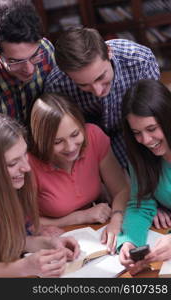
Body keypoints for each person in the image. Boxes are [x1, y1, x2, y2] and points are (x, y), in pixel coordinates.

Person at [0, 111, 79, 278]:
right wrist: (23, 267)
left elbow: (14, 239)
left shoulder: (12, 184)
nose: (26, 168)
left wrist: (48, 243)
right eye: (12, 163)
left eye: (24, 154)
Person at [44, 27, 160, 169]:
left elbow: (154, 113)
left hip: (135, 131)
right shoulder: (56, 85)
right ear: (67, 74)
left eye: (101, 77)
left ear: (109, 51)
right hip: (88, 143)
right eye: (84, 85)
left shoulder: (140, 60)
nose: (98, 91)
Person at [29, 93, 130, 253]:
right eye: (57, 142)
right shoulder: (28, 164)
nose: (70, 147)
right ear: (41, 141)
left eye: (75, 134)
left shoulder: (94, 136)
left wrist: (117, 218)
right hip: (54, 243)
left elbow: (121, 190)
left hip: (94, 234)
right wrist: (81, 216)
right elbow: (25, 225)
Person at [117, 79, 171, 275]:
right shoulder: (141, 154)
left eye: (152, 128)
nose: (146, 141)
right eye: (136, 133)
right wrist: (130, 241)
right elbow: (141, 203)